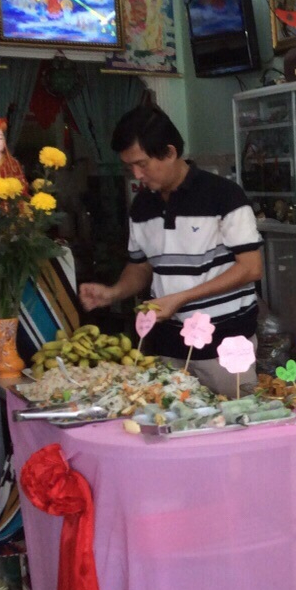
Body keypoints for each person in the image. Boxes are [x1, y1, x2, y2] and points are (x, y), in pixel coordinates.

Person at [79, 105, 262, 392]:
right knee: (170, 413)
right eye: (129, 167)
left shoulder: (224, 195)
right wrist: (113, 292)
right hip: (167, 346)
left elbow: (251, 268)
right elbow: (141, 266)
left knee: (235, 415)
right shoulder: (142, 205)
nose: (136, 174)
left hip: (224, 346)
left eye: (142, 164)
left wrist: (181, 298)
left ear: (169, 152)